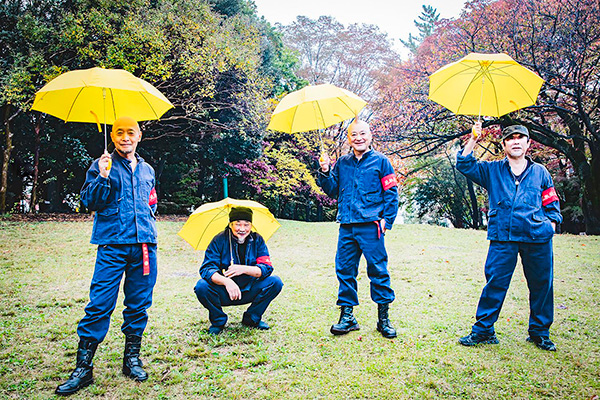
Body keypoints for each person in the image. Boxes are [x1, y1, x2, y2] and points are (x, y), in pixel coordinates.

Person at [56, 116, 158, 396]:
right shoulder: (101, 165)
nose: (126, 137)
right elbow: (89, 201)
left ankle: (131, 360)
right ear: (112, 136)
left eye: (131, 132)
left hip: (144, 246)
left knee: (138, 304)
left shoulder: (148, 169)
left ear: (139, 135)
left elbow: (151, 202)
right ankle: (83, 368)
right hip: (112, 245)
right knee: (99, 304)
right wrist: (102, 176)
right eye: (120, 133)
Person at [456, 122, 562, 351]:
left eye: (520, 138)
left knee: (542, 285)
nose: (515, 142)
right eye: (510, 138)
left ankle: (540, 333)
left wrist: (550, 225)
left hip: (537, 237)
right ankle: (484, 331)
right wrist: (473, 138)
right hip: (503, 236)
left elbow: (552, 203)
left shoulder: (540, 172)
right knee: (495, 283)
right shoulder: (492, 170)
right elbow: (464, 164)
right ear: (503, 144)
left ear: (528, 143)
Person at [318, 119, 399, 339]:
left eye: (362, 133)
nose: (358, 138)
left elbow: (391, 193)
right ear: (348, 138)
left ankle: (383, 319)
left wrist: (387, 220)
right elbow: (332, 190)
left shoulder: (382, 162)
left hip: (372, 226)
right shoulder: (342, 163)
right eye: (354, 135)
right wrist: (325, 170)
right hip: (347, 225)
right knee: (345, 270)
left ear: (370, 136)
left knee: (378, 271)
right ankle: (347, 318)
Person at [194, 206, 283, 335]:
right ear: (230, 224)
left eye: (246, 224)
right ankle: (218, 321)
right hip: (224, 292)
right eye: (238, 224)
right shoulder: (219, 240)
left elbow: (266, 268)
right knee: (201, 286)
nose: (242, 229)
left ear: (251, 225)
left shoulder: (257, 239)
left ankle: (252, 318)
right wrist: (226, 282)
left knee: (275, 282)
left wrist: (243, 269)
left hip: (249, 289)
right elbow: (207, 269)